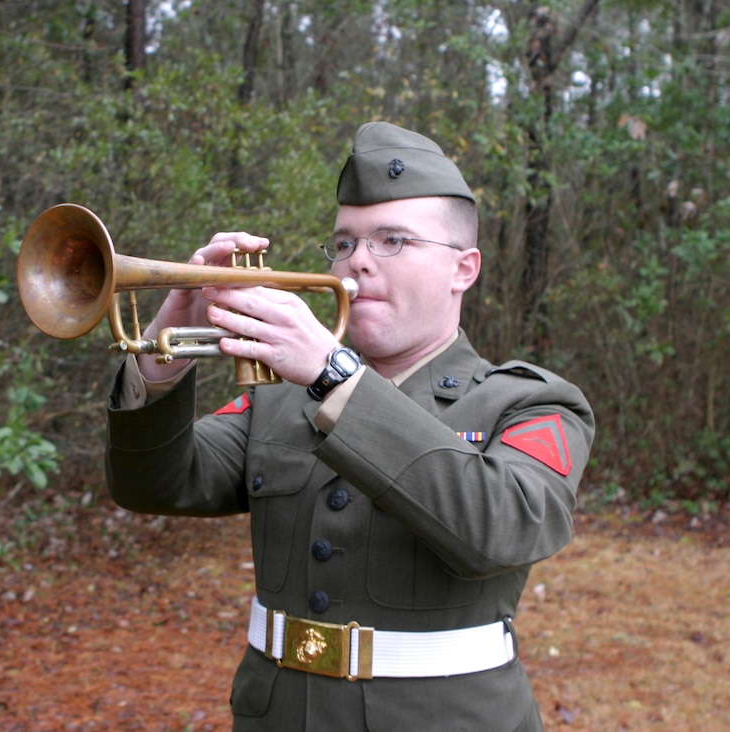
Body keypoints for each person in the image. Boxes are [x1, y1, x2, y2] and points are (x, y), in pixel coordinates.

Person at [103, 121, 595, 731]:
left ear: (463, 268)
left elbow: (500, 531)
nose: (357, 262)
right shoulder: (276, 399)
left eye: (393, 241)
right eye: (344, 243)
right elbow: (152, 484)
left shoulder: (530, 403)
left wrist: (334, 377)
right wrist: (162, 345)